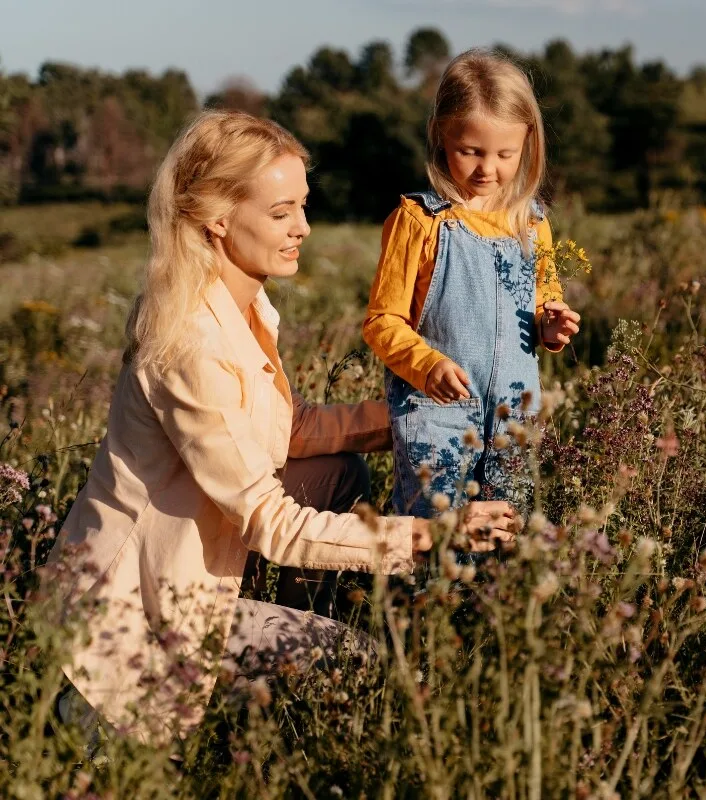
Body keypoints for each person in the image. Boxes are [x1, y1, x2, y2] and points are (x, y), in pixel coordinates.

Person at [44, 109, 517, 746]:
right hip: (125, 632)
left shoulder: (238, 303)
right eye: (280, 213)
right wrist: (437, 533)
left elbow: (282, 431)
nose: (304, 228)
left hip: (184, 576)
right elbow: (271, 523)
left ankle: (282, 637)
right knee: (358, 664)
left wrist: (408, 419)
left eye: (303, 205)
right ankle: (259, 726)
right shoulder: (189, 340)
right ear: (216, 218)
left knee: (337, 471)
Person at [363, 48, 581, 523]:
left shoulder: (533, 224)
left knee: (507, 536)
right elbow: (382, 322)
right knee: (435, 540)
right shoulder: (419, 221)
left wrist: (551, 325)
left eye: (506, 154)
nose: (488, 169)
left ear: (529, 144)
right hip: (437, 412)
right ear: (442, 136)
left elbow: (543, 304)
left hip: (514, 416)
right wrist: (427, 364)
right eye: (471, 152)